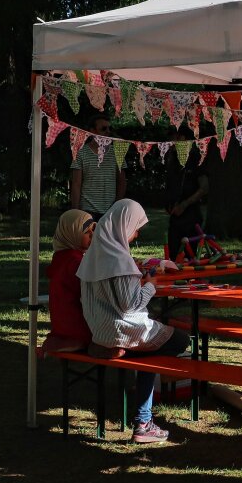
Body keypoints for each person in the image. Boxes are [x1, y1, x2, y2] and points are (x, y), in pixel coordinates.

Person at [79, 199, 190, 444]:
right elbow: (131, 304)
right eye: (135, 227)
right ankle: (143, 421)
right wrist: (151, 285)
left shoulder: (92, 256)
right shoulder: (120, 259)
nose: (136, 233)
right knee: (180, 341)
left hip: (100, 330)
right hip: (125, 331)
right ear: (123, 225)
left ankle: (143, 414)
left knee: (150, 353)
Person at [43, 210, 96, 353]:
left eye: (93, 229)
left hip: (61, 326)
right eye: (87, 232)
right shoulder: (75, 262)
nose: (92, 234)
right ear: (72, 233)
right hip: (77, 328)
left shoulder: (61, 257)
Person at [70, 114, 126, 222]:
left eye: (110, 128)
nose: (108, 131)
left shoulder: (117, 152)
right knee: (88, 239)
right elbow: (76, 183)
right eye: (103, 129)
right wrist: (75, 211)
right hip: (87, 210)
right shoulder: (81, 152)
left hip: (110, 209)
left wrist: (116, 206)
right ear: (92, 132)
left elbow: (122, 181)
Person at [165, 127, 209, 259]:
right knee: (173, 256)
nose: (170, 143)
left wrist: (184, 204)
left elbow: (204, 188)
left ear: (182, 138)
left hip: (191, 217)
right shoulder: (172, 159)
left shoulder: (196, 158)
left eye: (173, 138)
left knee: (190, 256)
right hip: (175, 217)